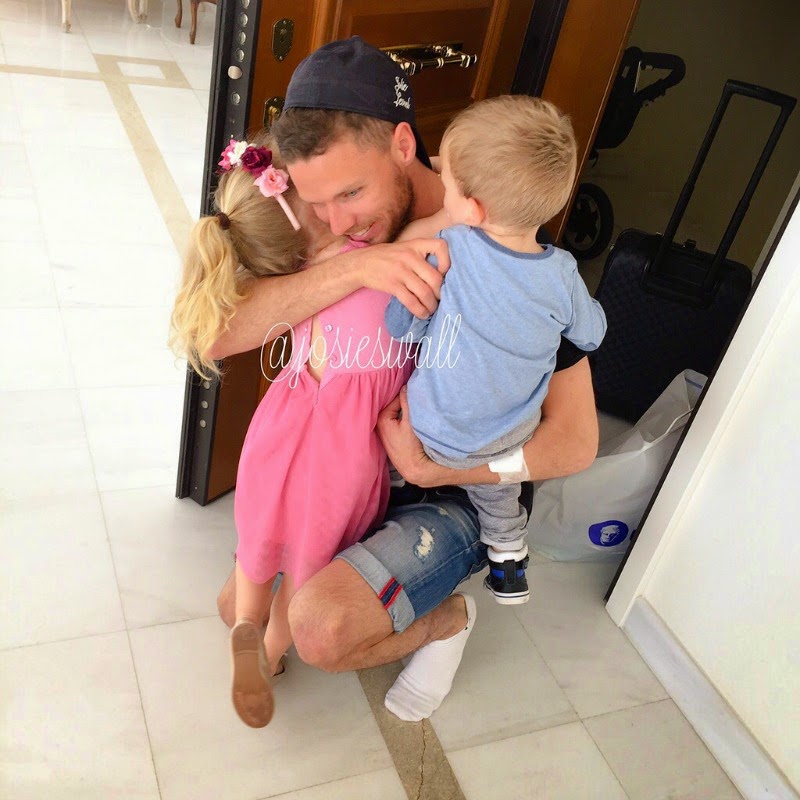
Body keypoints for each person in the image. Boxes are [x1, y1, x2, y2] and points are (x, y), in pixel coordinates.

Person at [214, 36, 600, 722]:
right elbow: (215, 333)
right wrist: (354, 267)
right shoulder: (339, 231)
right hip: (354, 465)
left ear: (401, 144)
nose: (336, 222)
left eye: (351, 194)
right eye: (317, 205)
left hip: (454, 480)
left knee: (317, 628)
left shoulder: (522, 265)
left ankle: (446, 623)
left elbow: (575, 443)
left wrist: (433, 470)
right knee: (237, 602)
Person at [171, 134, 413, 728]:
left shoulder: (299, 273)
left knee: (258, 549)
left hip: (278, 433)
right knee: (306, 567)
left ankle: (247, 630)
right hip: (341, 455)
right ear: (308, 211)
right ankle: (272, 651)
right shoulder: (375, 255)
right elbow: (441, 228)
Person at [384, 95, 607, 605]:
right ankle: (508, 565)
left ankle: (389, 497)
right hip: (505, 442)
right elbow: (592, 334)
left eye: (448, 184)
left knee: (392, 438)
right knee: (500, 496)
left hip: (431, 426)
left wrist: (409, 321)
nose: (442, 188)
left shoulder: (452, 246)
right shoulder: (563, 274)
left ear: (474, 209)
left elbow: (405, 325)